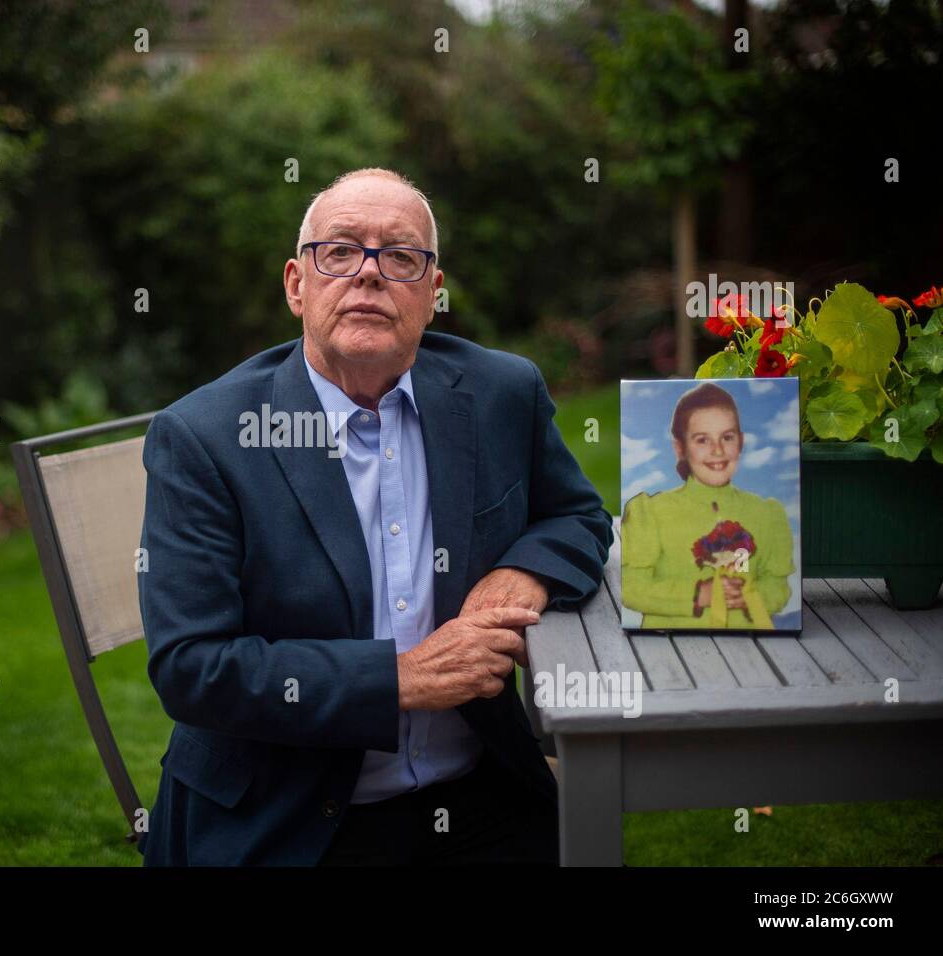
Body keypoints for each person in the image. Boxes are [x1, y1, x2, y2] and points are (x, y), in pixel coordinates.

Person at [136, 168, 612, 866]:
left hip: (480, 788)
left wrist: (523, 573)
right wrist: (402, 678)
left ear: (433, 290)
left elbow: (577, 515)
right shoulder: (206, 437)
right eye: (340, 252)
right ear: (298, 284)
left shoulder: (500, 393)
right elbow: (192, 666)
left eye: (400, 255)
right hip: (287, 817)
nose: (368, 274)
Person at [621, 382, 794, 630]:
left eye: (727, 437)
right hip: (668, 648)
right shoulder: (649, 512)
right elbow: (632, 589)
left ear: (741, 442)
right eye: (702, 440)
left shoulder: (767, 513)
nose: (717, 450)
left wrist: (751, 596)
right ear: (680, 448)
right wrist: (697, 594)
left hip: (753, 647)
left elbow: (778, 587)